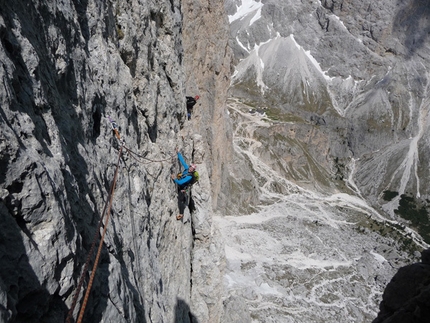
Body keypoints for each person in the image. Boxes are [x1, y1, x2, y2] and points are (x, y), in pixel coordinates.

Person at [171, 151, 198, 220]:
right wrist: (178, 153)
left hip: (183, 188)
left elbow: (181, 182)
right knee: (182, 198)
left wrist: (175, 179)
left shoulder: (190, 177)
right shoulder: (186, 169)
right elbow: (182, 162)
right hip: (182, 185)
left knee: (180, 199)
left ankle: (181, 214)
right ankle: (185, 200)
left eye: (192, 169)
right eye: (190, 167)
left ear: (193, 170)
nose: (190, 169)